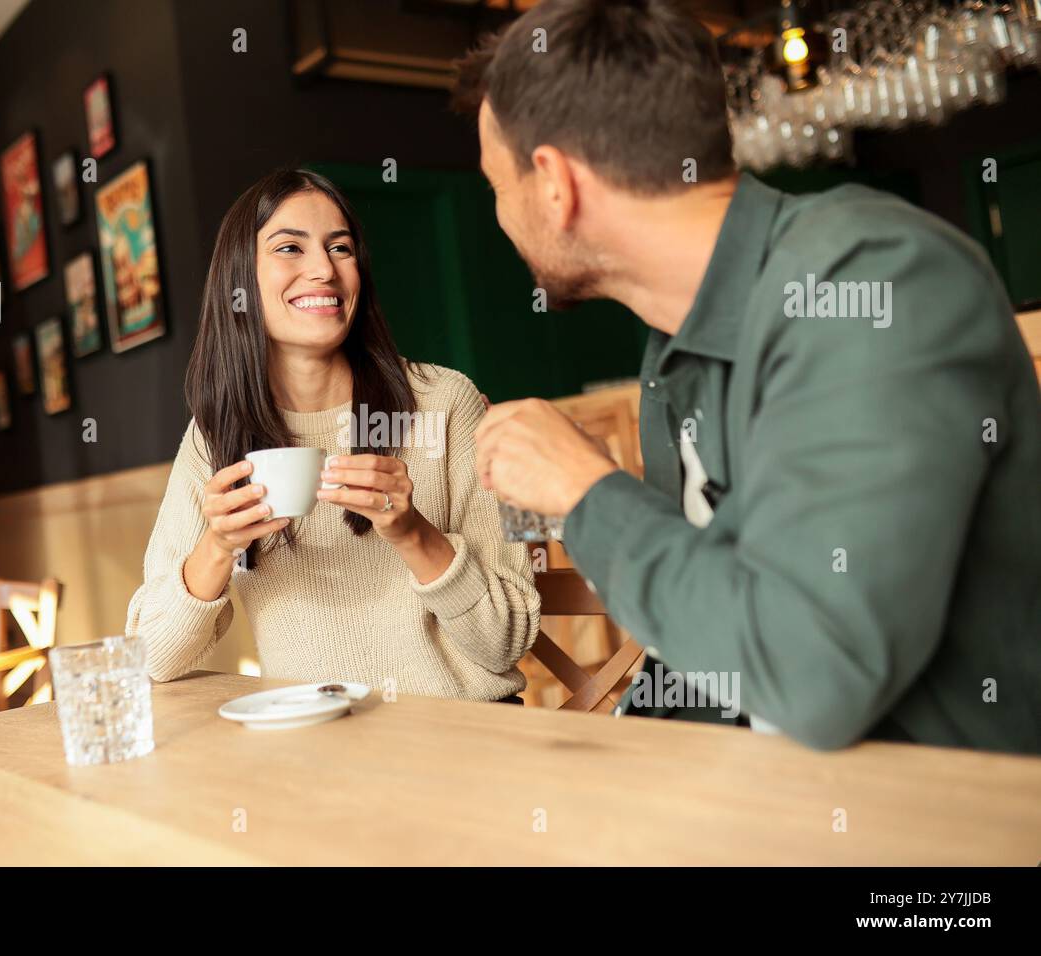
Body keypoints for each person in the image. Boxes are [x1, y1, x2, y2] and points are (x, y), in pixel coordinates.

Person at [454, 0, 1041, 751]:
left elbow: (812, 679)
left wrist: (585, 491)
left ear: (555, 185)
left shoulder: (869, 282)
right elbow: (707, 643)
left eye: (495, 186)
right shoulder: (675, 345)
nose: (501, 217)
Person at [126, 168, 540, 702]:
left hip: (460, 740)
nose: (323, 269)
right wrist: (219, 546)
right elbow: (152, 658)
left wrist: (413, 533)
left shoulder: (444, 404)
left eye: (340, 248)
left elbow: (504, 643)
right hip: (314, 747)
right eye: (289, 248)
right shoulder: (217, 437)